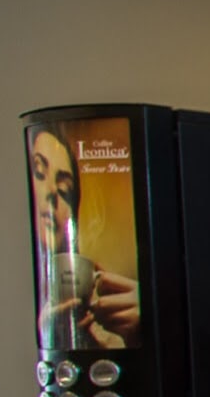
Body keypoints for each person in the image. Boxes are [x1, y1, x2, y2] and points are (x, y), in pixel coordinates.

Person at [28, 124, 138, 350]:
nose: (52, 192)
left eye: (65, 190)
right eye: (39, 173)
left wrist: (135, 335)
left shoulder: (104, 336)